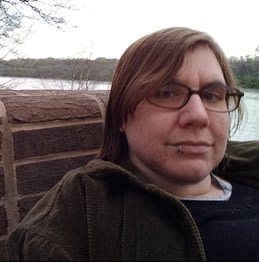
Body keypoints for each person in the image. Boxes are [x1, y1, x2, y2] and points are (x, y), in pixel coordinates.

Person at [7, 27, 259, 261]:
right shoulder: (78, 223)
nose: (198, 115)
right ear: (121, 115)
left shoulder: (248, 171)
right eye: (167, 93)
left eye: (212, 96)